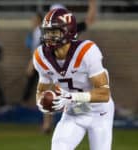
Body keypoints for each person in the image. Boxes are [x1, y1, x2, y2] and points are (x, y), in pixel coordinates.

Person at [33, 8, 114, 150]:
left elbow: (104, 94)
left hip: (99, 112)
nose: (48, 36)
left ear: (67, 31)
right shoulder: (41, 56)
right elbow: (41, 90)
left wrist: (71, 97)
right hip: (74, 112)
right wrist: (43, 104)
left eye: (54, 32)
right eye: (47, 32)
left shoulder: (87, 51)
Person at [21, 12, 42, 105]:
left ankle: (26, 102)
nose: (32, 22)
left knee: (35, 83)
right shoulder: (34, 31)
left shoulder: (39, 31)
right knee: (31, 82)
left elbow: (38, 49)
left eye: (34, 20)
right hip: (36, 61)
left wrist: (31, 64)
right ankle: (26, 102)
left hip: (39, 62)